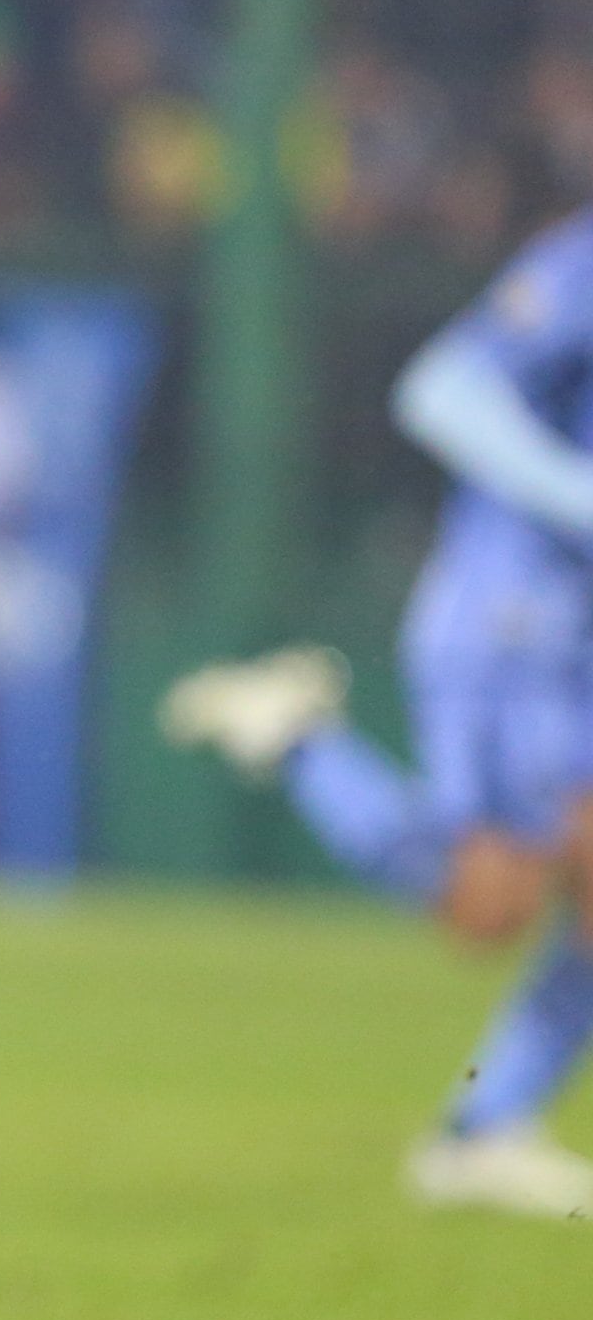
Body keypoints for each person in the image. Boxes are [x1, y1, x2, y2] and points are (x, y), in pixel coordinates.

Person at [166, 210, 593, 1217]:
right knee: (487, 904)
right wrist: (579, 495)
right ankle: (299, 741)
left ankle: (483, 1132)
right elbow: (441, 390)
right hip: (514, 615)